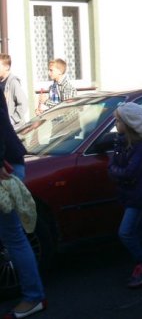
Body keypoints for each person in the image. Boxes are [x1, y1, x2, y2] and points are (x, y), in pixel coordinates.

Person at [0, 91, 47, 318]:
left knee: (13, 237)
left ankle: (34, 297)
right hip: (7, 162)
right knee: (13, 236)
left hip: (5, 167)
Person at [108, 102, 142, 288]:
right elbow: (111, 167)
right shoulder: (120, 142)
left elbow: (129, 172)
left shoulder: (139, 147)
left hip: (137, 196)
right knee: (139, 231)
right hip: (127, 194)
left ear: (128, 124)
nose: (115, 124)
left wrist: (116, 171)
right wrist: (117, 171)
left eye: (118, 121)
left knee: (126, 232)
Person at [0, 54, 28, 128]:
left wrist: (12, 120)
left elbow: (23, 104)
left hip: (15, 129)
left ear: (7, 67)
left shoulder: (13, 82)